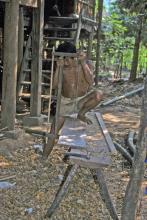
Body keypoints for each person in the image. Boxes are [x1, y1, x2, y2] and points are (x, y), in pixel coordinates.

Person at [43, 42, 103, 158]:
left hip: (81, 100)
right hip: (65, 102)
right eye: (63, 59)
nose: (65, 62)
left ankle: (81, 113)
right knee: (53, 132)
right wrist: (59, 68)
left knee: (98, 94)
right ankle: (44, 157)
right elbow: (54, 86)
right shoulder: (62, 67)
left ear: (74, 56)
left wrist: (83, 62)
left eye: (68, 59)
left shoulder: (85, 64)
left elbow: (91, 82)